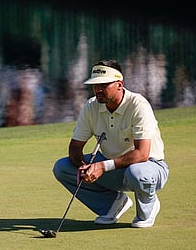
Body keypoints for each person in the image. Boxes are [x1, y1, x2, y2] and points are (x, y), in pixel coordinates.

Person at [53, 59, 169, 228]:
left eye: (104, 85)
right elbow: (75, 147)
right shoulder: (91, 106)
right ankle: (112, 205)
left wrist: (102, 167)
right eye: (95, 85)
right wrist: (83, 166)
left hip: (149, 167)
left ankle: (148, 207)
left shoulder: (138, 104)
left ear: (119, 84)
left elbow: (142, 154)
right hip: (112, 168)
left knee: (137, 173)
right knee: (62, 168)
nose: (98, 90)